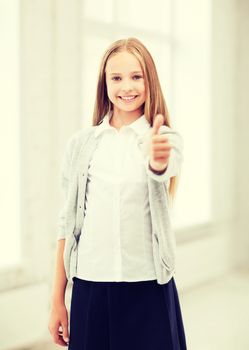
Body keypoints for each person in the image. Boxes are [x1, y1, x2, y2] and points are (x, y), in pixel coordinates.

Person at [48, 37, 187, 349]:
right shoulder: (82, 144)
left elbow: (165, 165)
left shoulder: (164, 138)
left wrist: (158, 160)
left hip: (148, 287)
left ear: (149, 80)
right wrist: (57, 299)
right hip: (90, 289)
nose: (127, 86)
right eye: (117, 77)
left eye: (137, 76)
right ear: (104, 83)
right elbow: (66, 224)